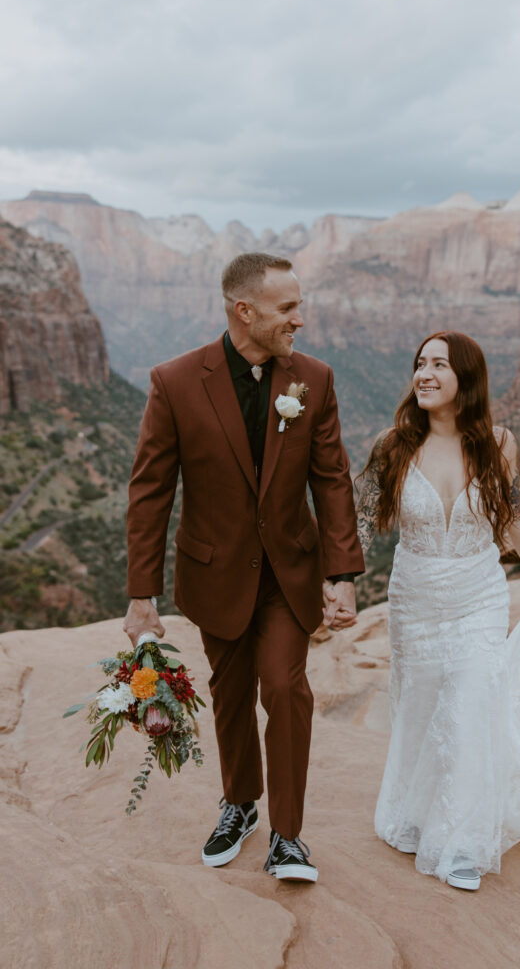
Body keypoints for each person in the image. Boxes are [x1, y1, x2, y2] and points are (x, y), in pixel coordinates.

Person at [124, 252, 363, 882]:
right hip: (215, 574)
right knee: (229, 696)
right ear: (245, 311)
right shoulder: (174, 381)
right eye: (288, 308)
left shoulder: (314, 378)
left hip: (290, 572)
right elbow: (151, 491)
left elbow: (333, 480)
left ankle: (288, 835)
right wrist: (140, 595)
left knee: (285, 689)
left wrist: (342, 575)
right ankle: (240, 804)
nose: (299, 320)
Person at [356, 331, 520, 891]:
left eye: (439, 364)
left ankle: (464, 843)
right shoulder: (392, 444)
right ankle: (417, 814)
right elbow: (360, 521)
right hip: (413, 601)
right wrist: (336, 585)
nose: (425, 373)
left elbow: (518, 516)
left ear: (466, 378)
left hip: (478, 598)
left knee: (471, 707)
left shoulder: (499, 443)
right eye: (420, 363)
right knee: (420, 709)